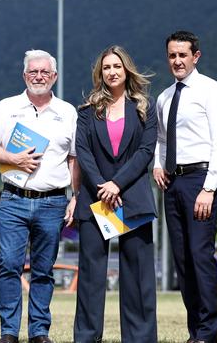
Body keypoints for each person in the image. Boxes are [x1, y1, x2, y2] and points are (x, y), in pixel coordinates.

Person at [0, 49, 79, 343]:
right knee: (9, 265)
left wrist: (75, 197)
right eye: (33, 72)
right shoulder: (6, 107)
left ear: (55, 77)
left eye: (44, 72)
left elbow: (74, 158)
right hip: (14, 199)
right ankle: (9, 332)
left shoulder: (67, 112)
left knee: (44, 269)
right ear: (24, 76)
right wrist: (15, 158)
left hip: (53, 201)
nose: (39, 76)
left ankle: (39, 331)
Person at [73, 45, 158, 343]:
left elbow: (146, 152)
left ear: (126, 71)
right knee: (91, 275)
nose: (112, 72)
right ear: (100, 73)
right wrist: (102, 185)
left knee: (137, 274)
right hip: (95, 198)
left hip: (132, 197)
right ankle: (86, 336)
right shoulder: (85, 113)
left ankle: (140, 337)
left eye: (117, 67)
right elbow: (82, 152)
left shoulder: (145, 108)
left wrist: (117, 184)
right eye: (106, 67)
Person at [153, 31, 217, 343]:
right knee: (182, 259)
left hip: (202, 180)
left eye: (183, 55)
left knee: (200, 255)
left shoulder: (213, 92)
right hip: (173, 181)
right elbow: (161, 139)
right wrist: (157, 166)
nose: (177, 61)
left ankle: (207, 332)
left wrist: (209, 188)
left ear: (196, 56)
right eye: (172, 55)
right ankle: (194, 331)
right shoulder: (164, 97)